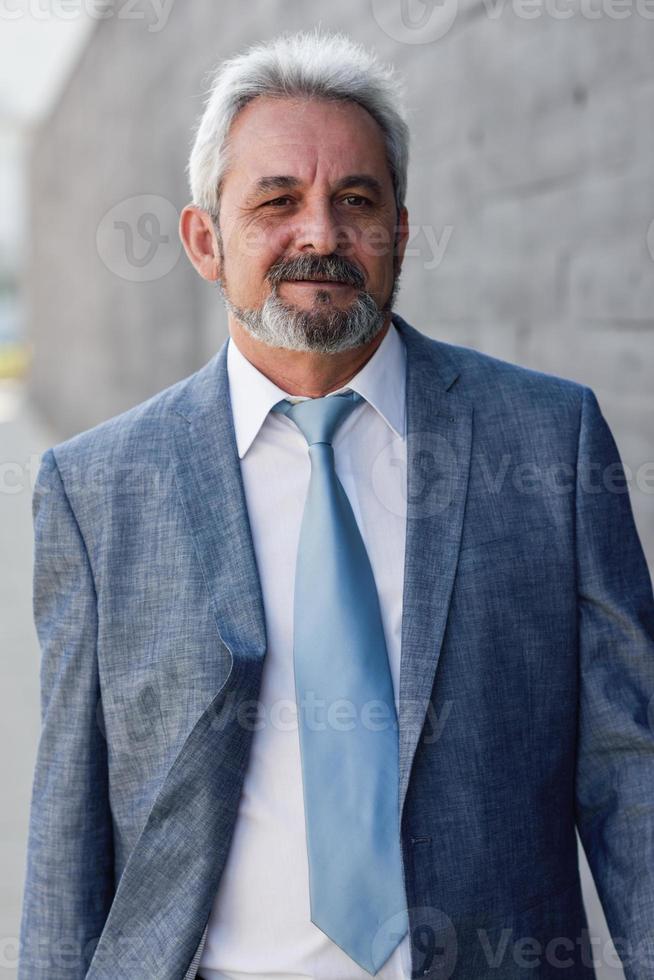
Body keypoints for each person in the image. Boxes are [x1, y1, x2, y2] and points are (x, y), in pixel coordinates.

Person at [18, 28, 654, 980]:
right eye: (277, 200)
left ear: (399, 230)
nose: (319, 233)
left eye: (354, 200)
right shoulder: (97, 490)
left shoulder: (547, 443)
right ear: (204, 240)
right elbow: (68, 831)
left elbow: (629, 776)